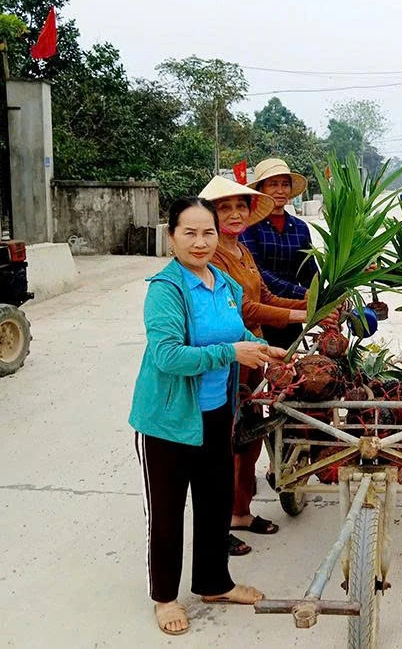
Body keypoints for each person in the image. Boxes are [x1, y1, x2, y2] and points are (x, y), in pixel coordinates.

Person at [129, 197, 288, 636]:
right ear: (172, 237)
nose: (200, 242)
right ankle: (164, 597)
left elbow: (235, 331)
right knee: (167, 512)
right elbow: (167, 356)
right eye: (190, 233)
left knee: (215, 502)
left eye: (208, 233)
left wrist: (262, 348)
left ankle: (214, 583)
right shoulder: (167, 289)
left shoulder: (224, 284)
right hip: (169, 421)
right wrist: (230, 352)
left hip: (217, 413)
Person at [198, 176, 318, 541]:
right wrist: (301, 316)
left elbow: (265, 293)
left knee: (248, 436)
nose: (235, 214)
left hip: (253, 354)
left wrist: (314, 305)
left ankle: (240, 513)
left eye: (240, 207)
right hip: (228, 357)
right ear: (211, 216)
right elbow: (244, 306)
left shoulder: (240, 250)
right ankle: (218, 525)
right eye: (224, 208)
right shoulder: (213, 255)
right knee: (224, 442)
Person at [241, 158, 318, 349]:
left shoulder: (300, 227)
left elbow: (309, 270)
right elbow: (258, 271)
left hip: (292, 310)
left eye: (285, 184)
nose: (280, 190)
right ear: (261, 189)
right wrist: (302, 293)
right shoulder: (248, 226)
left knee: (288, 365)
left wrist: (319, 295)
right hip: (258, 310)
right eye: (273, 184)